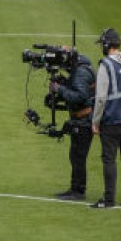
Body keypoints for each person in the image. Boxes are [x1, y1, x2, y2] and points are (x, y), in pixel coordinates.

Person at [91, 29, 121, 209]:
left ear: (107, 45)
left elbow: (101, 97)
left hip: (112, 120)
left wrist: (95, 121)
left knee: (109, 159)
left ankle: (109, 199)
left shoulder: (106, 65)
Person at [50, 49, 98, 202]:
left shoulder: (80, 73)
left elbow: (80, 96)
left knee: (78, 157)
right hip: (81, 119)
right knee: (75, 156)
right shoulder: (81, 69)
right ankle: (74, 188)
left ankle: (78, 191)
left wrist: (59, 89)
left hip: (84, 121)